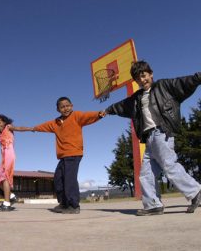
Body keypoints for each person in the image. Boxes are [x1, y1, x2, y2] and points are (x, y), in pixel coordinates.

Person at [105, 61, 201, 215]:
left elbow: (183, 83)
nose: (142, 80)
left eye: (144, 76)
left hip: (162, 132)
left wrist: (198, 77)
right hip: (149, 138)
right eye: (138, 78)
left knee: (169, 165)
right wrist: (108, 110)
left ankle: (196, 192)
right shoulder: (137, 98)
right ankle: (153, 205)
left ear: (151, 74)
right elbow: (122, 106)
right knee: (145, 174)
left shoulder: (164, 87)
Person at [18, 97, 105, 214]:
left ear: (72, 106)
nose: (65, 108)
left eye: (67, 105)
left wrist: (99, 114)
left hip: (74, 153)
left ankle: (74, 205)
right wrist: (32, 128)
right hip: (63, 156)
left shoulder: (77, 116)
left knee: (70, 180)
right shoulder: (56, 123)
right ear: (58, 109)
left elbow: (88, 116)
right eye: (62, 107)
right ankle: (64, 203)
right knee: (58, 179)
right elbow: (42, 126)